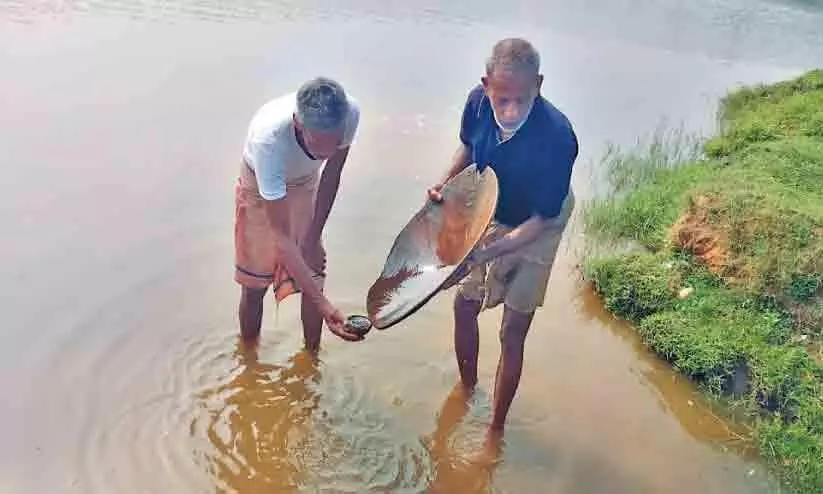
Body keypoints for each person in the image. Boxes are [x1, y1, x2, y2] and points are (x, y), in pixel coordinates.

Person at [428, 38, 578, 451]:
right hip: (490, 206)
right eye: (502, 99)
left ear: (540, 86)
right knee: (464, 304)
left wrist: (485, 253)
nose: (510, 111)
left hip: (538, 221)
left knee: (513, 329)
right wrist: (443, 182)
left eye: (522, 99)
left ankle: (495, 429)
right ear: (486, 85)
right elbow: (466, 145)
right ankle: (467, 390)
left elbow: (540, 220)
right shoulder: (477, 103)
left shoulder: (559, 137)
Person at [235, 76, 365, 351]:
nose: (328, 151)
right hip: (261, 184)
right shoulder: (269, 142)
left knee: (312, 266)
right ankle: (248, 360)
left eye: (334, 142)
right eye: (318, 143)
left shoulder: (349, 113)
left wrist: (312, 237)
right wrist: (326, 307)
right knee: (255, 281)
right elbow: (282, 238)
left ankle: (311, 358)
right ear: (298, 125)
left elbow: (331, 174)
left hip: (306, 180)